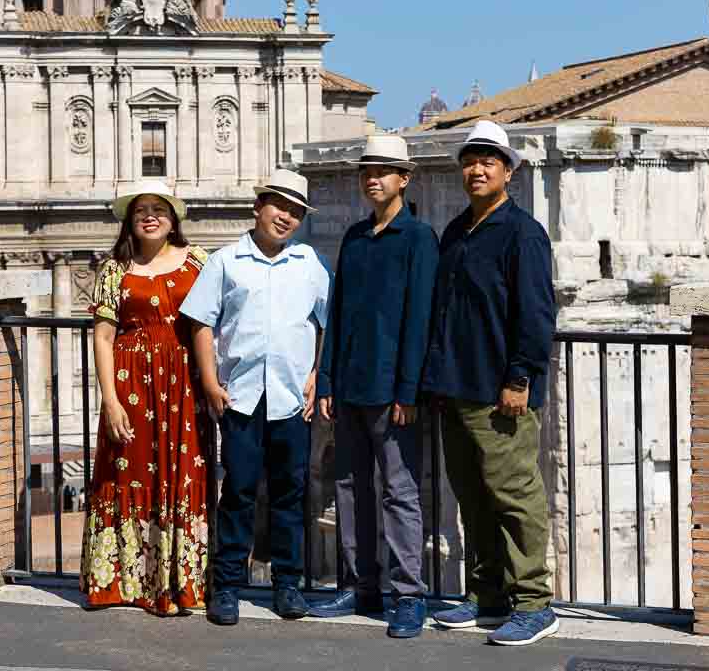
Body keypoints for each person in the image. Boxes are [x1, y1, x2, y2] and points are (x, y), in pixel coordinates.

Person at [421, 120, 558, 647]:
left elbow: (536, 312)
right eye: (471, 161)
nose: (477, 169)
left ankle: (533, 602)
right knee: (473, 495)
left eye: (489, 161)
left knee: (514, 492)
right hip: (456, 385)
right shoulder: (458, 230)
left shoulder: (523, 233)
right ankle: (487, 595)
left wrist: (519, 376)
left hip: (501, 390)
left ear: (508, 171)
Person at [180, 168, 331, 627]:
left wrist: (316, 374)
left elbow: (325, 322)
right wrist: (209, 381)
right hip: (241, 397)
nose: (286, 217)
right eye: (279, 206)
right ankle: (226, 586)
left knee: (291, 493)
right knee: (239, 492)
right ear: (258, 206)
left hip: (290, 398)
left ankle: (288, 585)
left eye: (295, 211)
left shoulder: (310, 263)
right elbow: (201, 323)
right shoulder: (225, 261)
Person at [309, 134, 439, 639]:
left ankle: (408, 595)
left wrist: (408, 391)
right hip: (351, 387)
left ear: (404, 179)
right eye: (368, 171)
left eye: (383, 170)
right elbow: (338, 314)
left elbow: (419, 320)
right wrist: (328, 380)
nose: (373, 178)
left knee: (400, 492)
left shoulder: (418, 239)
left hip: (392, 392)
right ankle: (362, 585)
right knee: (348, 488)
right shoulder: (355, 238)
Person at [80, 180, 211, 616]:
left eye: (159, 209)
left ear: (173, 219)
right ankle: (128, 582)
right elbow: (102, 338)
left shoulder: (199, 262)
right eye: (141, 211)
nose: (150, 216)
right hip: (131, 384)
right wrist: (110, 400)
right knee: (127, 475)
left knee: (182, 474)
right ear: (130, 222)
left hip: (183, 384)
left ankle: (177, 584)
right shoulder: (115, 270)